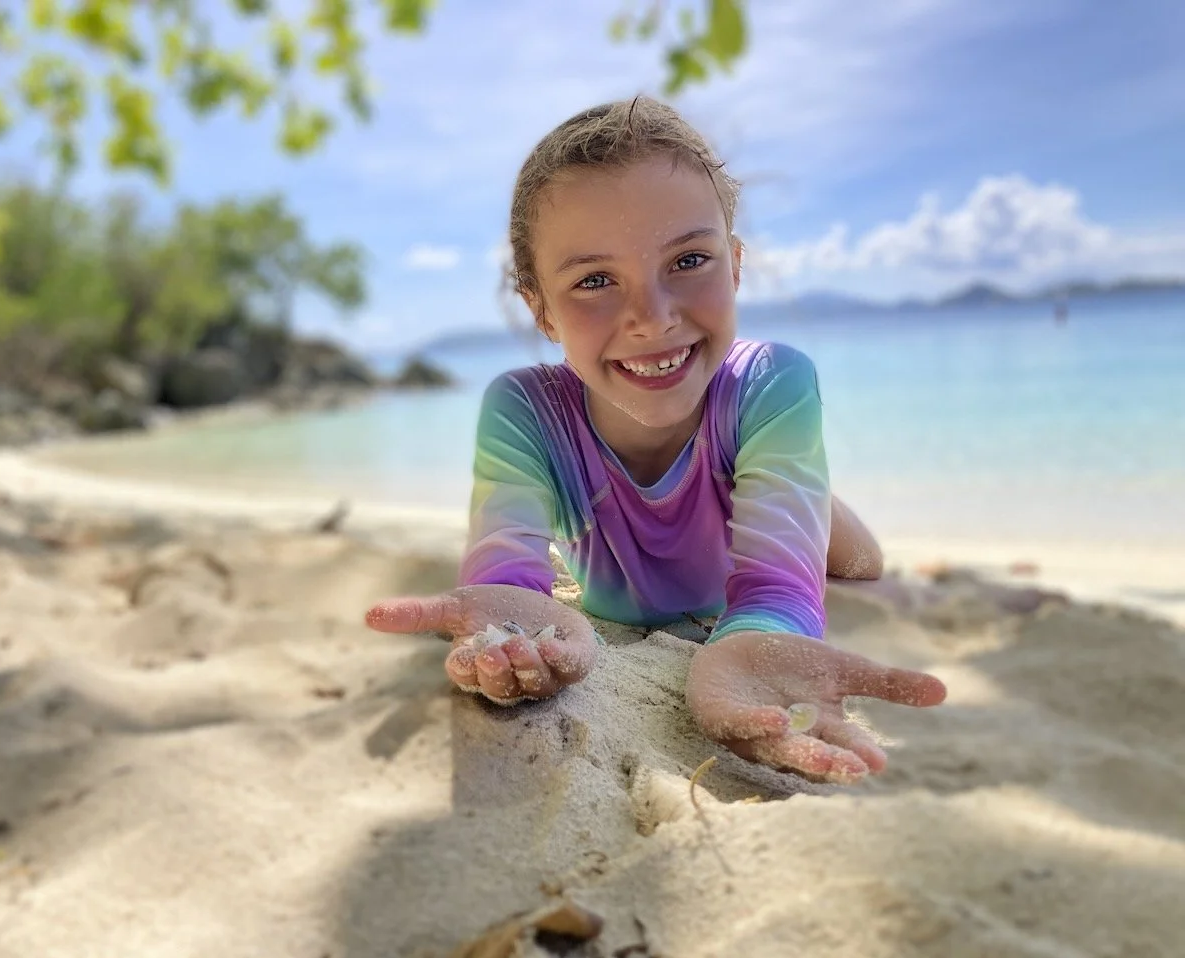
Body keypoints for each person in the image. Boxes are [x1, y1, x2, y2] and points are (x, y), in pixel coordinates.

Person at [366, 97, 946, 784]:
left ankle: (791, 487)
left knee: (861, 562)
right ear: (540, 308)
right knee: (792, 507)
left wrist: (761, 639)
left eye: (689, 259)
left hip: (761, 463)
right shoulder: (525, 411)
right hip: (711, 504)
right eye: (595, 280)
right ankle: (776, 483)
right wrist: (512, 620)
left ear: (734, 266)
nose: (652, 318)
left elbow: (779, 591)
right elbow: (508, 568)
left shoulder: (771, 381)